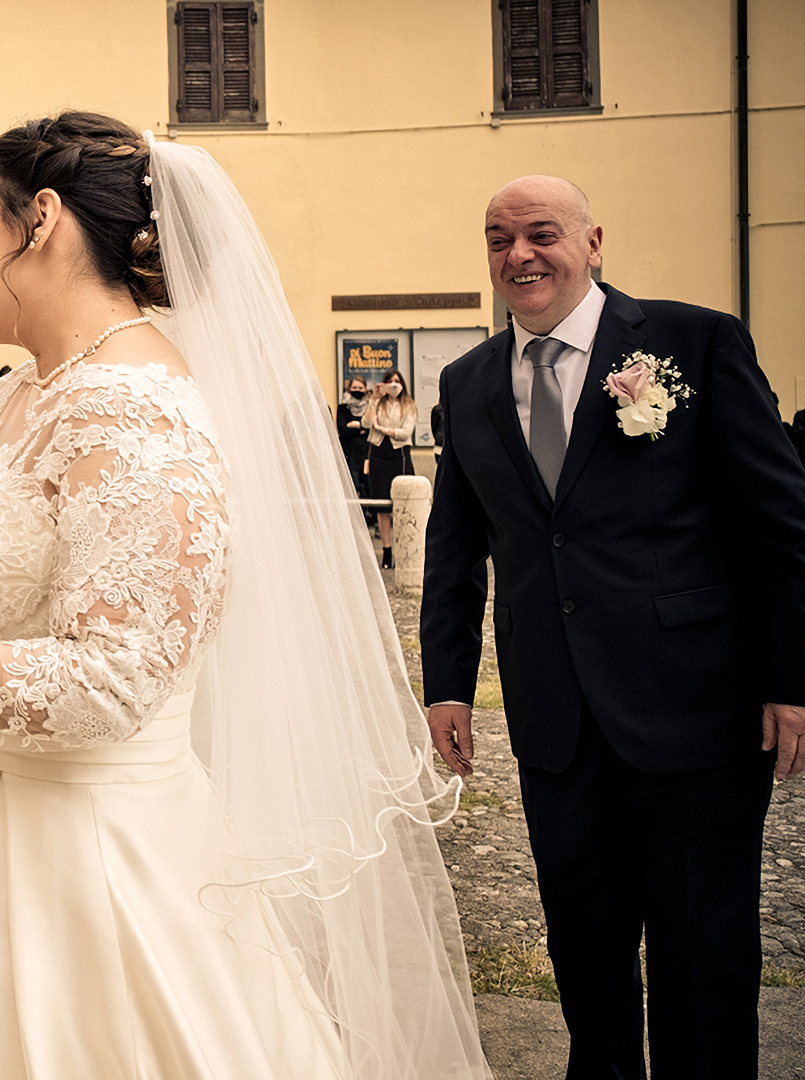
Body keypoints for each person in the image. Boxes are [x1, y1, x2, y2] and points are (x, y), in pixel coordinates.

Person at [0, 111, 488, 1079]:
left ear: (38, 220)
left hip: (72, 869)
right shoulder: (32, 389)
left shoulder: (138, 417)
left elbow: (110, 683)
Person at [421, 174, 805, 1079]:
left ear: (593, 244)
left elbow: (781, 525)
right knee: (581, 937)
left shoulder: (691, 341)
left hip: (697, 704)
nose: (518, 255)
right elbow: (453, 545)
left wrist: (792, 678)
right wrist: (445, 682)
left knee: (700, 945)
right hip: (555, 715)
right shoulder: (467, 380)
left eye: (540, 233)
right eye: (497, 238)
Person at [361, 369, 417, 568]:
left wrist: (384, 429)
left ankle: (404, 550)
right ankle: (386, 550)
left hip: (399, 455)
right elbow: (366, 423)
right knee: (382, 505)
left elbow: (406, 432)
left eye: (397, 382)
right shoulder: (378, 402)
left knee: (401, 504)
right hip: (378, 454)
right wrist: (375, 398)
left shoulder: (409, 405)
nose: (394, 385)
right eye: (390, 382)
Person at [334, 375, 369, 494]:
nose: (357, 390)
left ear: (365, 389)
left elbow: (371, 428)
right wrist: (361, 429)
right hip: (350, 454)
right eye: (354, 387)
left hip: (366, 453)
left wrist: (356, 425)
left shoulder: (370, 407)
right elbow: (342, 430)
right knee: (352, 488)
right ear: (349, 389)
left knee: (368, 489)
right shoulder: (343, 407)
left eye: (360, 388)